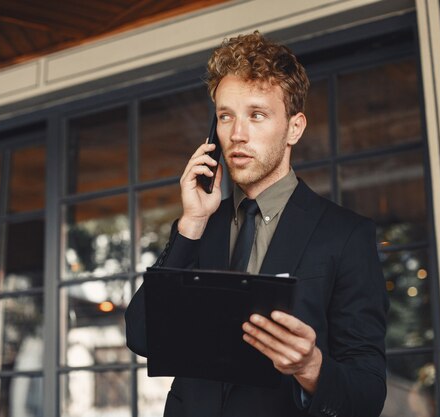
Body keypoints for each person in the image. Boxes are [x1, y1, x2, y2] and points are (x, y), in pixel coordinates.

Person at [125, 31, 388, 417]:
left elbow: (367, 395)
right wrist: (192, 223)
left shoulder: (346, 235)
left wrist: (310, 367)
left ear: (294, 128)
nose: (237, 134)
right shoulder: (199, 225)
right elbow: (142, 335)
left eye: (257, 115)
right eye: (225, 116)